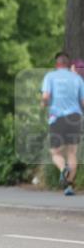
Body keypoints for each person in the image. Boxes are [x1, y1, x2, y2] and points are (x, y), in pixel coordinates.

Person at [41, 52, 84, 196]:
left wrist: (43, 104)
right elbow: (83, 102)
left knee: (55, 152)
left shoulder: (50, 77)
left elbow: (46, 97)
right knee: (72, 152)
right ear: (68, 64)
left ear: (57, 64)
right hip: (75, 117)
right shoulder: (77, 78)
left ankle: (62, 168)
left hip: (57, 118)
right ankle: (69, 186)